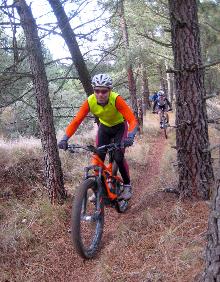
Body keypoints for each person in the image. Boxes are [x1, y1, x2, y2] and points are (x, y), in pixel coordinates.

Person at [58, 73, 138, 200]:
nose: (100, 94)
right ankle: (99, 188)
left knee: (118, 156)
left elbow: (132, 120)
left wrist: (130, 136)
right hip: (104, 128)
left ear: (109, 90)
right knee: (98, 157)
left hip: (119, 128)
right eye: (97, 91)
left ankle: (127, 185)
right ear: (94, 90)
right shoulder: (90, 101)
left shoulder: (116, 99)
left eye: (104, 91)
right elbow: (76, 121)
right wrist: (64, 138)